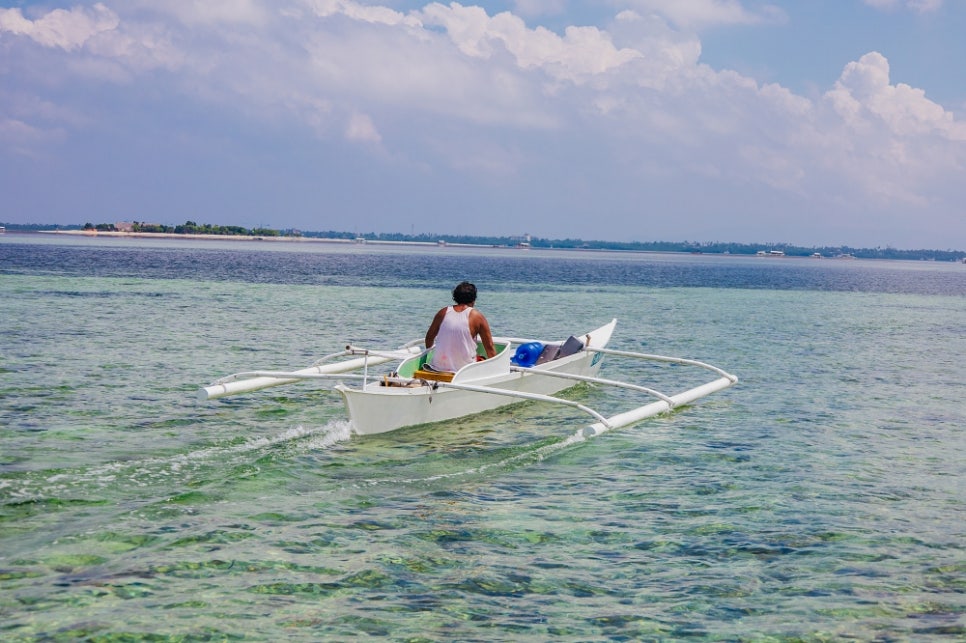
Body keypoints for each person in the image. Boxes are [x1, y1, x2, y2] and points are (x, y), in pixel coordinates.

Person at [425, 281, 496, 372]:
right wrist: (496, 370)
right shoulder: (477, 316)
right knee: (482, 359)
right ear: (473, 299)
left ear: (455, 297)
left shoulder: (443, 312)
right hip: (464, 371)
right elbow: (489, 347)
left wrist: (430, 357)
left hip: (436, 368)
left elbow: (429, 338)